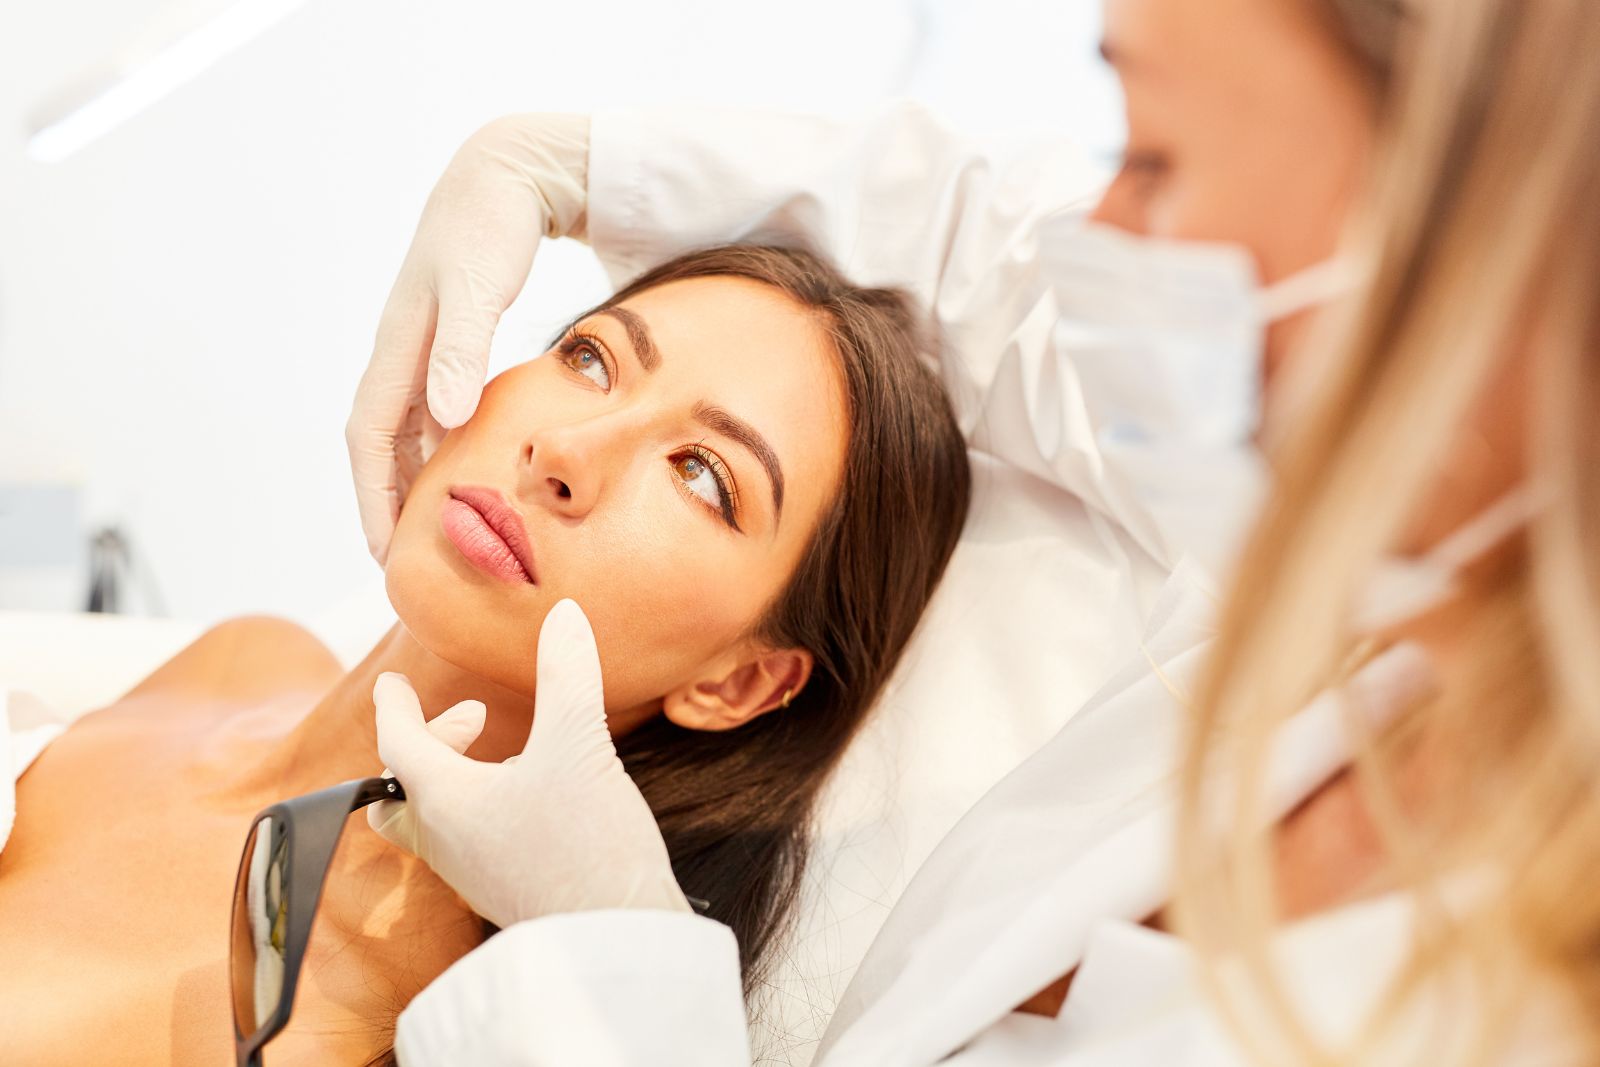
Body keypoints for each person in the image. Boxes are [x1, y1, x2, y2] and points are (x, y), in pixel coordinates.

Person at [354, 0, 1600, 1064]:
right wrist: (557, 162)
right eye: (587, 355)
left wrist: (603, 961)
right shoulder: (1354, 570)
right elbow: (975, 252)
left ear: (1482, 262)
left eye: (1155, 160)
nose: (1094, 235)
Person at [0, 244, 970, 1065]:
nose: (565, 449)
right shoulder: (242, 657)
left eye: (700, 474)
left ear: (739, 679)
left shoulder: (388, 1019)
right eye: (590, 359)